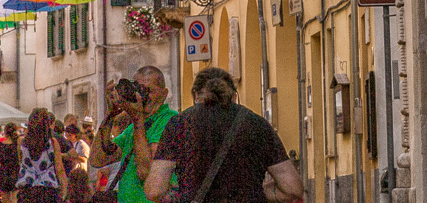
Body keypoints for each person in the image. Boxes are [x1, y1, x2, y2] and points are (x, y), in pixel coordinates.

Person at [145, 69, 299, 203]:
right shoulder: (257, 124)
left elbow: (155, 191)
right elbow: (292, 188)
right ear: (233, 95)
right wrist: (257, 193)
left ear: (196, 95)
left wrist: (181, 196)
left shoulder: (179, 124)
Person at [96, 69, 172, 203]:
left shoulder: (170, 120)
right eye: (139, 89)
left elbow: (145, 172)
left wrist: (137, 119)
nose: (143, 96)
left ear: (164, 94)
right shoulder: (134, 128)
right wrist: (110, 114)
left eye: (149, 91)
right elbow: (98, 159)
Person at [14, 109, 70, 203]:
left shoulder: (21, 142)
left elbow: (20, 162)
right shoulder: (52, 142)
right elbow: (59, 168)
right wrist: (65, 190)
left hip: (27, 189)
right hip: (48, 189)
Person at [0, 125, 21, 203]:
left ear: (5, 132)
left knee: (5, 199)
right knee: (15, 198)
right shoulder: (17, 145)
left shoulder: (0, 146)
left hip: (3, 173)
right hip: (15, 172)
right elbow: (20, 160)